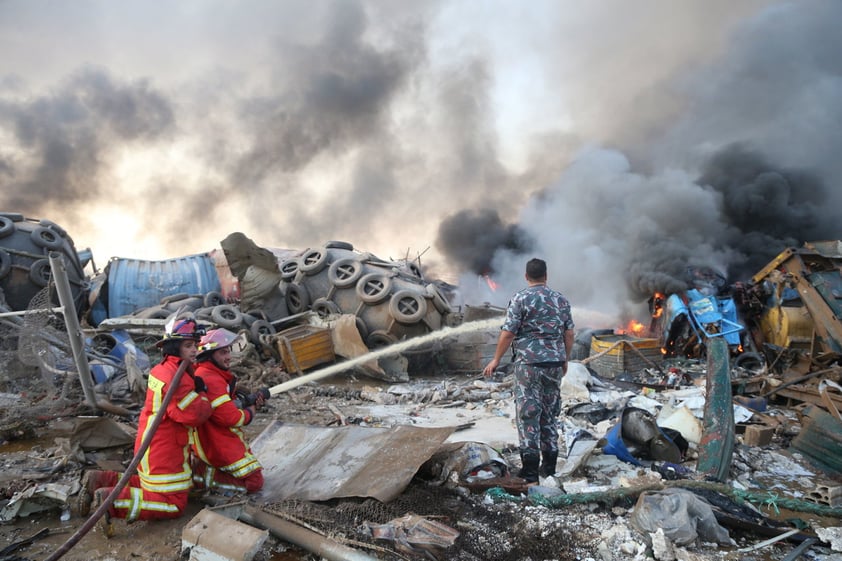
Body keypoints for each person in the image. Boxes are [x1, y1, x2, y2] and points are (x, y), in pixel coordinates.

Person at [77, 316, 212, 535]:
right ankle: (113, 503)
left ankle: (100, 480)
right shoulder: (179, 379)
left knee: (151, 486)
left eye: (195, 345)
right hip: (166, 449)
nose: (194, 350)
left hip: (151, 443)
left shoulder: (162, 369)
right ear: (174, 347)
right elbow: (194, 415)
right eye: (188, 346)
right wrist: (203, 393)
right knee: (173, 502)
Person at [482, 258, 574, 483]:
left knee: (528, 414)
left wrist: (495, 360)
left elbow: (508, 333)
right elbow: (569, 333)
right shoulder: (560, 299)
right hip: (553, 364)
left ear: (526, 276)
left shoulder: (521, 298)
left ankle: (530, 470)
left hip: (529, 365)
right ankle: (550, 468)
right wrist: (564, 359)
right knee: (549, 413)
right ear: (546, 275)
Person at [190, 328, 265, 494]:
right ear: (209, 355)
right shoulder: (210, 378)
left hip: (211, 440)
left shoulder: (208, 373)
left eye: (228, 351)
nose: (228, 357)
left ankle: (203, 471)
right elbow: (231, 418)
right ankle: (203, 477)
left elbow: (222, 406)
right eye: (223, 352)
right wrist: (251, 411)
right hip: (218, 441)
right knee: (254, 482)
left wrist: (242, 401)